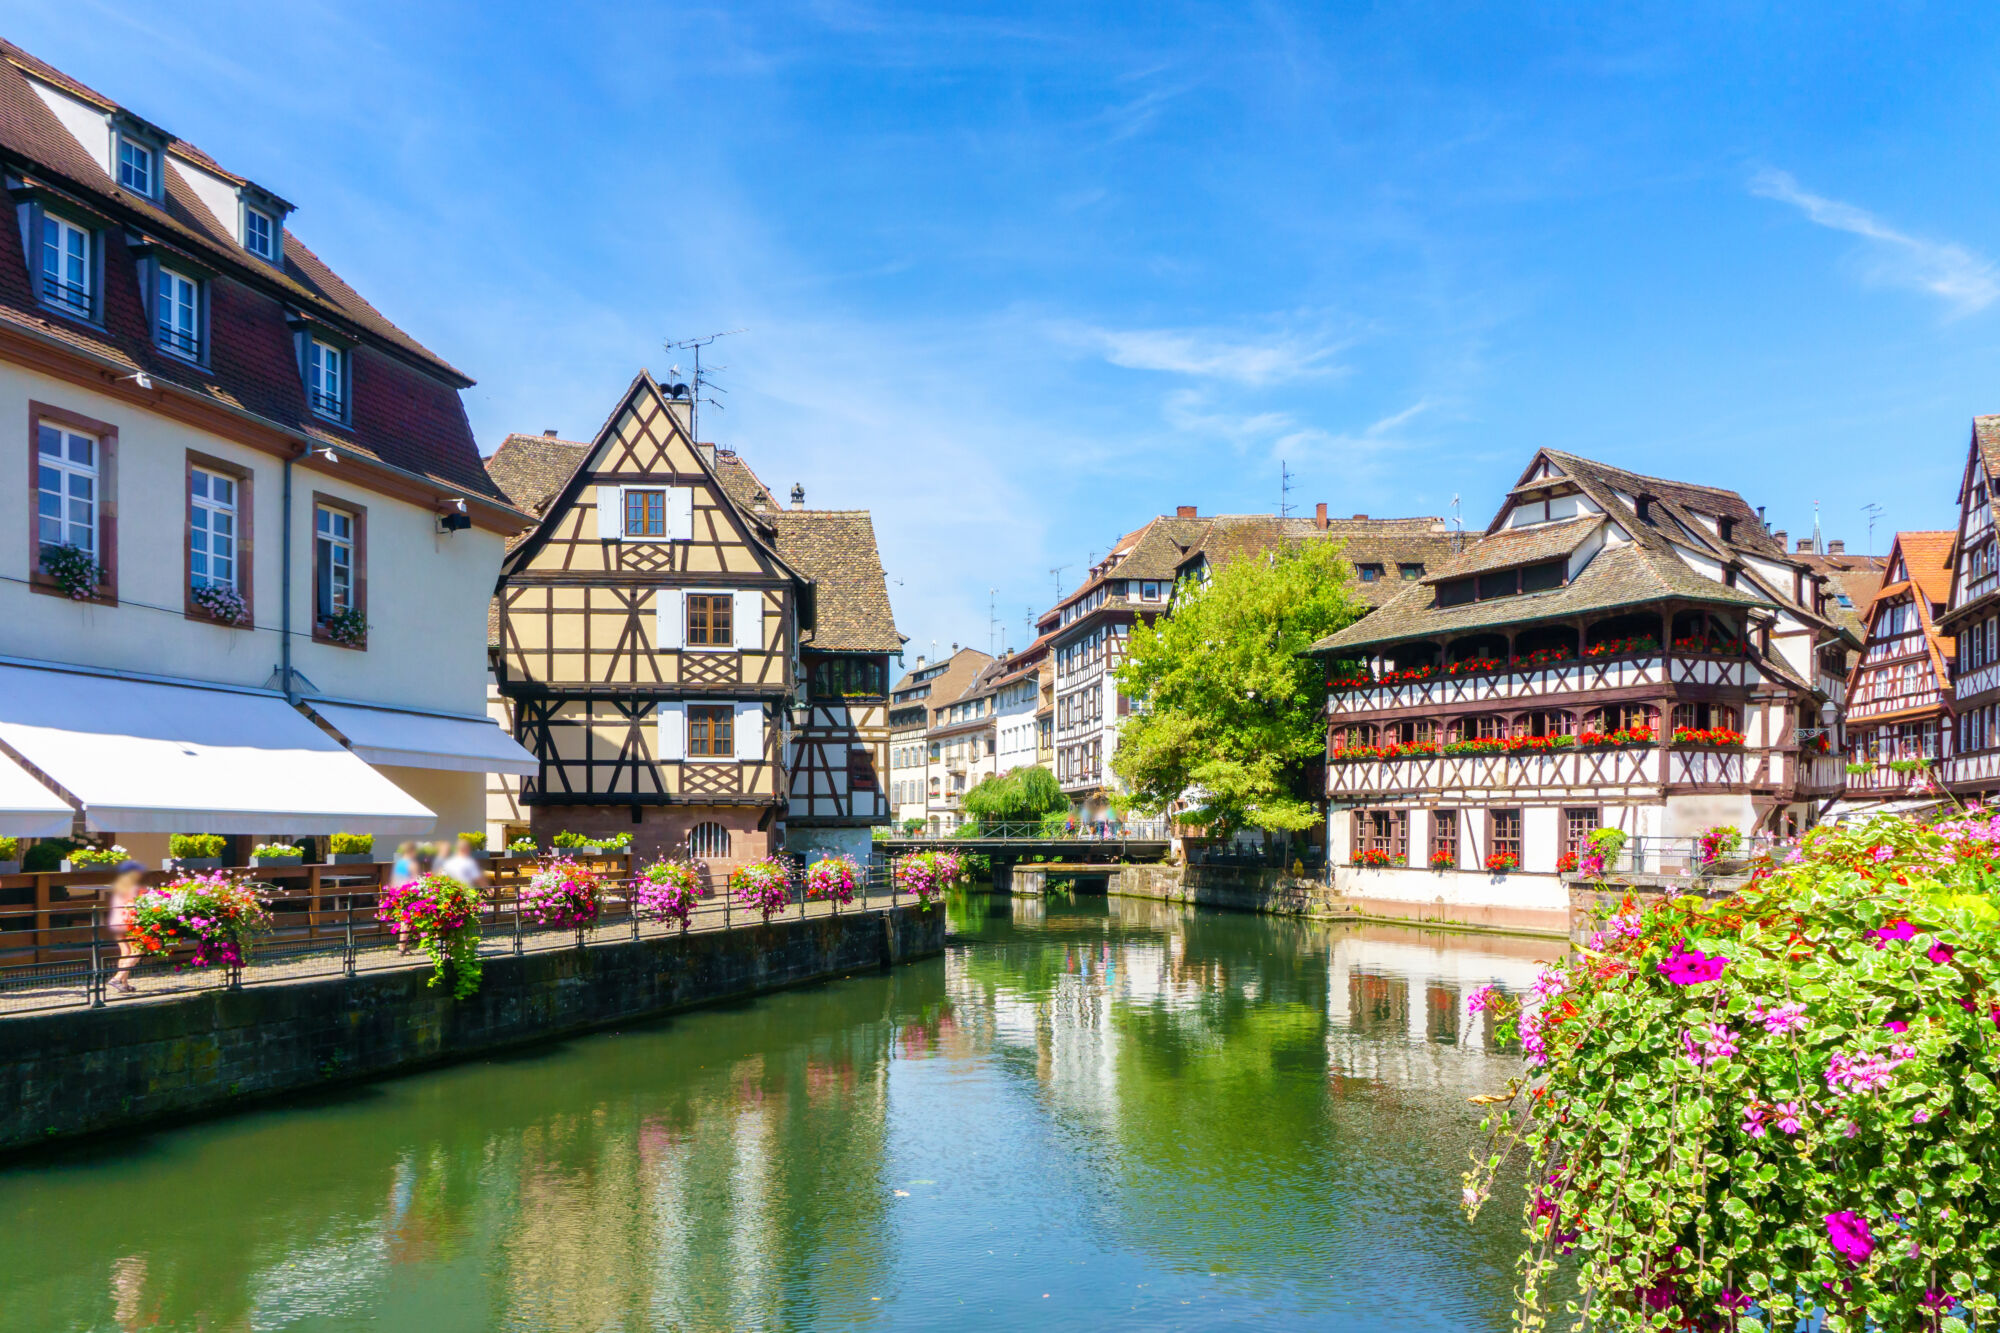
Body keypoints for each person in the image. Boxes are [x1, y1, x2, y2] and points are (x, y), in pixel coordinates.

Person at [105, 859, 145, 994]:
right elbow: (132, 906)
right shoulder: (133, 887)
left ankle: (124, 984)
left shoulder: (119, 886)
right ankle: (117, 978)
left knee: (125, 952)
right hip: (128, 922)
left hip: (116, 923)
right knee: (138, 950)